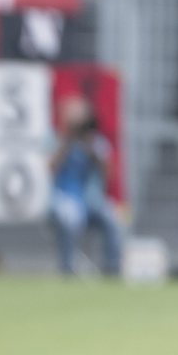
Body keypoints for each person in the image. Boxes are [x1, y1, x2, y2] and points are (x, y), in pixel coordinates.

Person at [48, 95, 123, 276]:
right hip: (64, 197)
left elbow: (109, 174)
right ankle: (68, 268)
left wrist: (91, 149)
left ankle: (112, 269)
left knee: (113, 219)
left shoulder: (96, 142)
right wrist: (67, 143)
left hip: (91, 200)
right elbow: (49, 168)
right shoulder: (55, 140)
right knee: (70, 218)